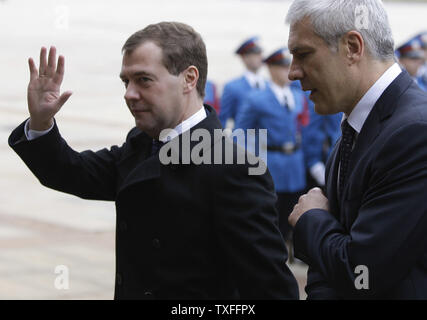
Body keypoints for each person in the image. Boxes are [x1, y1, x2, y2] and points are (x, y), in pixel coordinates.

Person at [8, 22, 299, 300]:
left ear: (189, 78)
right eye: (126, 81)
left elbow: (271, 291)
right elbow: (70, 172)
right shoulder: (142, 143)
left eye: (143, 80)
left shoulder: (234, 168)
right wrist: (41, 122)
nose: (129, 94)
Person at [286, 0, 427, 299]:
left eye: (303, 54)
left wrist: (311, 219)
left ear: (352, 46)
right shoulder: (354, 128)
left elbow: (362, 271)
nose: (292, 72)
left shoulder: (415, 132)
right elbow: (328, 263)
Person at [235, 47, 308, 242]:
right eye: (282, 67)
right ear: (271, 69)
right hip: (270, 164)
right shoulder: (256, 99)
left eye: (288, 67)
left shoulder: (298, 97)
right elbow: (241, 134)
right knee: (269, 220)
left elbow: (303, 129)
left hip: (294, 166)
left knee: (291, 217)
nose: (287, 72)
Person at [292, 81, 342, 189]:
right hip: (275, 167)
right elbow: (251, 135)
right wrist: (313, 162)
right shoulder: (256, 100)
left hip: (341, 159)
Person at [219, 36, 266, 130]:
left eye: (260, 53)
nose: (259, 57)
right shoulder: (232, 87)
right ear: (244, 57)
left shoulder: (269, 85)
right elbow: (223, 119)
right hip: (244, 141)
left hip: (269, 142)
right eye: (255, 54)